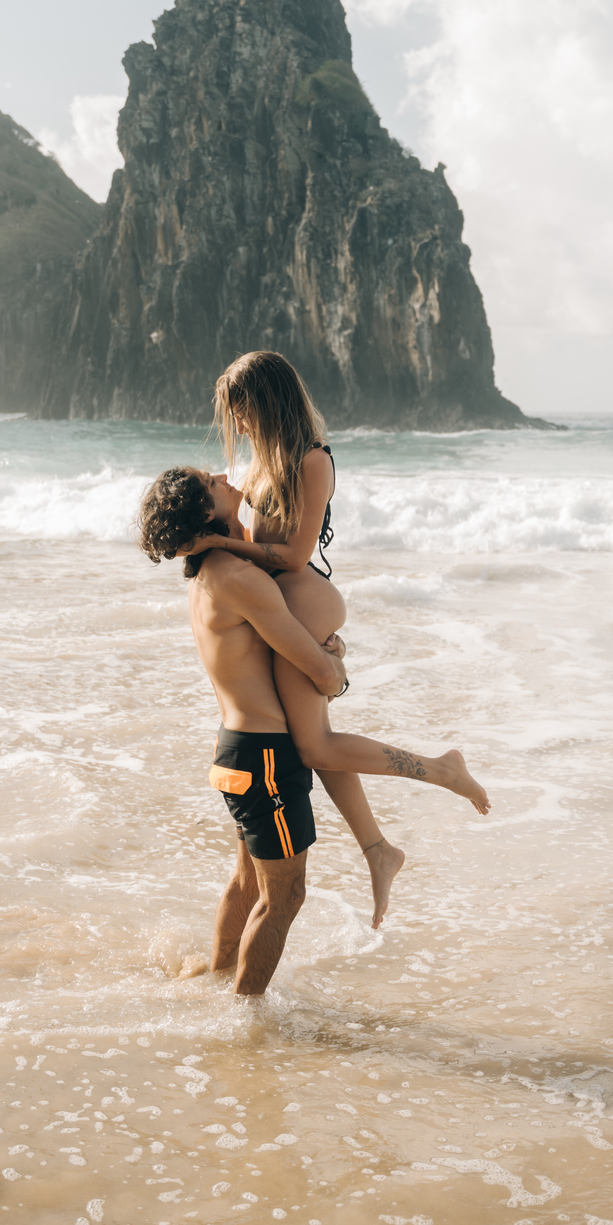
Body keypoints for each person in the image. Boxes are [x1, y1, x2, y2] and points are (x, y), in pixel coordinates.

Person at [138, 463, 489, 996]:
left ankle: (217, 976)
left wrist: (322, 649)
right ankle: (243, 1015)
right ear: (206, 515)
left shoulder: (209, 576)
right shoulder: (242, 579)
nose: (218, 473)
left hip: (234, 753)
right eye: (209, 482)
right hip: (267, 763)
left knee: (245, 882)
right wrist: (336, 666)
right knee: (284, 897)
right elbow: (321, 673)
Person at [181, 351, 404, 925]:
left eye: (242, 412)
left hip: (303, 602)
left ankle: (442, 773)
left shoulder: (312, 461)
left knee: (314, 746)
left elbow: (296, 555)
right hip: (284, 612)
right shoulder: (260, 465)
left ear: (266, 402)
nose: (239, 426)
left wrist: (224, 546)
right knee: (313, 743)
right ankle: (377, 851)